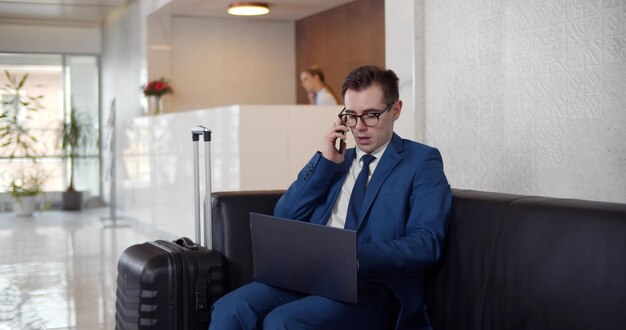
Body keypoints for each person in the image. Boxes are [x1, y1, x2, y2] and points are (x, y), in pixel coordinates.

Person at [209, 65, 451, 330]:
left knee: (283, 322)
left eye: (371, 115)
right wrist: (324, 163)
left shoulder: (421, 161)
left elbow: (427, 242)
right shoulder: (336, 161)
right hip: (309, 276)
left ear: (395, 109)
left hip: (371, 287)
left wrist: (351, 255)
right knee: (230, 309)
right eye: (351, 116)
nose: (359, 127)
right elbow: (285, 215)